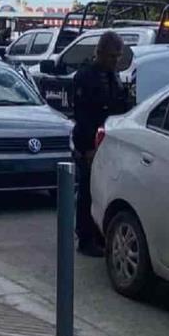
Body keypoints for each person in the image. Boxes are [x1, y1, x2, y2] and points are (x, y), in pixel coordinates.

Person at [71, 31, 126, 257]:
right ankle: (85, 238)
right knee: (87, 191)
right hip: (89, 142)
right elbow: (82, 115)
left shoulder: (114, 77)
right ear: (100, 53)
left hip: (108, 141)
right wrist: (87, 149)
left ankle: (97, 235)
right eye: (112, 56)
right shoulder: (86, 76)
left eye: (118, 57)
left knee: (102, 191)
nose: (115, 61)